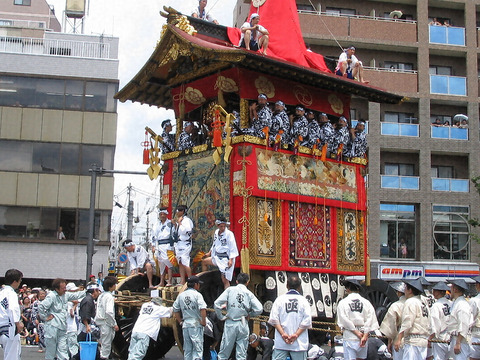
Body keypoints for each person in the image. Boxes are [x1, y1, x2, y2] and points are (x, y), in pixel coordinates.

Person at [214, 273, 263, 360]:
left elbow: (217, 304)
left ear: (236, 281)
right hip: (243, 323)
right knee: (241, 354)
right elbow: (259, 309)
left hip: (231, 322)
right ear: (247, 282)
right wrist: (250, 314)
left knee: (224, 352)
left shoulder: (230, 290)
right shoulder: (249, 293)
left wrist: (221, 317)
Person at [39, 278, 86, 360]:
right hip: (52, 327)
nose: (65, 290)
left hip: (62, 327)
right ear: (57, 289)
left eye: (65, 287)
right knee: (51, 352)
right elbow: (41, 306)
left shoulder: (65, 295)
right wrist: (45, 317)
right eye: (63, 288)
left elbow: (76, 295)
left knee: (63, 350)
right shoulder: (52, 296)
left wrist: (87, 291)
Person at [268, 275, 312, 360]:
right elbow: (307, 321)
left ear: (287, 285)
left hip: (282, 341)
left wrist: (283, 334)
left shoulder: (279, 299)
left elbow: (274, 319)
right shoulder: (304, 301)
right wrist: (296, 335)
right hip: (299, 342)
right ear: (299, 287)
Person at [337, 278, 379, 360]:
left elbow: (344, 319)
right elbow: (370, 318)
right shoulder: (366, 302)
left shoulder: (343, 302)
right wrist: (365, 334)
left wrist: (356, 332)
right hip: (363, 334)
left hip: (350, 335)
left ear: (348, 289)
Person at [173, 276, 207, 360]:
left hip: (186, 325)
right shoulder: (197, 295)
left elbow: (175, 309)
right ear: (196, 284)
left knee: (187, 349)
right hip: (195, 324)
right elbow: (203, 309)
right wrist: (203, 321)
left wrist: (180, 322)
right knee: (197, 349)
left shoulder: (181, 295)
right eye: (198, 284)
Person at [394, 279, 430, 359]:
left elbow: (407, 322)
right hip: (423, 340)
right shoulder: (423, 303)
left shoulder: (411, 301)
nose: (404, 291)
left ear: (410, 290)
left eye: (405, 288)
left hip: (413, 341)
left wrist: (399, 339)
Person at [202, 217, 239, 289]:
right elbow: (215, 244)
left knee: (225, 280)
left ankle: (227, 297)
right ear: (218, 225)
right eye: (221, 226)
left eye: (224, 226)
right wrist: (209, 253)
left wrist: (231, 259)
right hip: (216, 257)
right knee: (204, 262)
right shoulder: (216, 232)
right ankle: (205, 282)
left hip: (225, 259)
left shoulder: (229, 234)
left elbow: (232, 247)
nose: (223, 228)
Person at [0, 269, 24, 360]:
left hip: (2, 328)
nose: (20, 282)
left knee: (8, 355)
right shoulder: (11, 293)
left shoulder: (1, 292)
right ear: (15, 281)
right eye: (20, 280)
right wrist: (18, 323)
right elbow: (12, 308)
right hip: (10, 328)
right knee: (12, 356)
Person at [444, 279, 471, 360]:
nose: (450, 291)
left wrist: (458, 342)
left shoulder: (462, 304)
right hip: (455, 338)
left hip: (461, 340)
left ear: (455, 289)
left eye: (451, 288)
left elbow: (463, 324)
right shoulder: (456, 303)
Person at [379, 282, 406, 360]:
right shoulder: (416, 303)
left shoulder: (396, 305)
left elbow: (390, 327)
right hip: (414, 340)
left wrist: (389, 341)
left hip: (399, 338)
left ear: (399, 292)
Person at [95, 276, 119, 360]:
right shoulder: (109, 297)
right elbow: (109, 312)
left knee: (103, 344)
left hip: (100, 322)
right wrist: (114, 324)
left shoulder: (101, 296)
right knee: (106, 346)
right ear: (110, 286)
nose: (115, 286)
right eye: (114, 284)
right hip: (106, 323)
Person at [152, 208, 174, 287]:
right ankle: (161, 281)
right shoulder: (156, 224)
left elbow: (173, 234)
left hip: (167, 244)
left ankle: (170, 281)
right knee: (161, 263)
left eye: (163, 214)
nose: (162, 216)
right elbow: (153, 236)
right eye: (161, 214)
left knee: (169, 262)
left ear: (166, 214)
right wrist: (153, 245)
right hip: (159, 245)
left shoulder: (170, 223)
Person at [429, 282, 451, 360]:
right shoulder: (451, 303)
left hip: (440, 338)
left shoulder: (436, 305)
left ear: (441, 292)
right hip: (450, 338)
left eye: (435, 290)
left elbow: (435, 325)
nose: (433, 292)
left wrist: (430, 338)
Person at [172, 205, 194, 285]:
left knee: (185, 262)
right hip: (179, 244)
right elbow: (176, 232)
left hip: (185, 244)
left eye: (179, 211)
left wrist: (180, 223)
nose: (177, 213)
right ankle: (182, 280)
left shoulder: (187, 221)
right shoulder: (180, 220)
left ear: (182, 212)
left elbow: (186, 231)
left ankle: (191, 280)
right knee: (180, 262)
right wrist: (175, 225)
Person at [65, 283, 79, 360]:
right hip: (70, 329)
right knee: (73, 349)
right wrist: (75, 306)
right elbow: (71, 314)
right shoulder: (69, 303)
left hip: (68, 329)